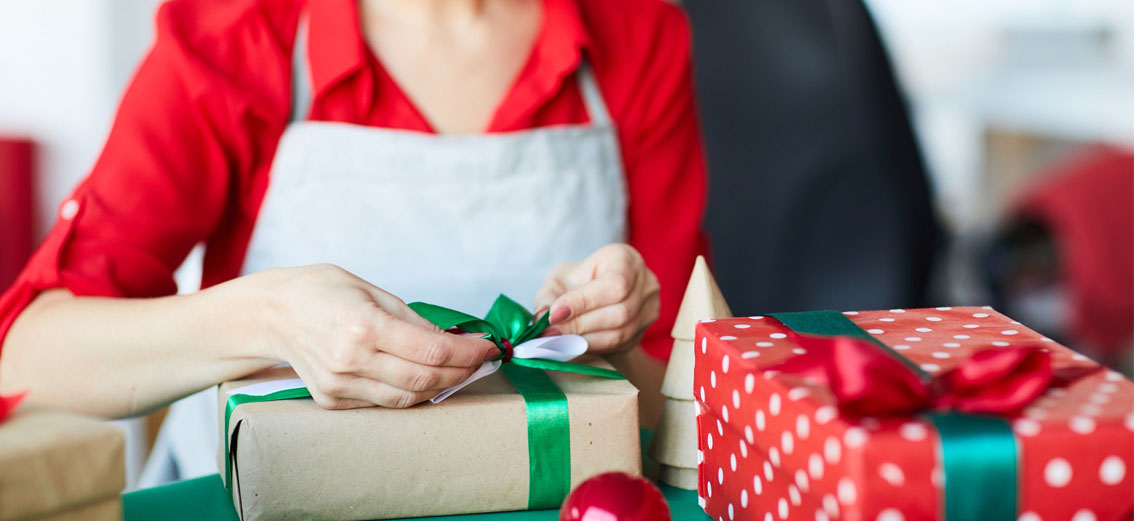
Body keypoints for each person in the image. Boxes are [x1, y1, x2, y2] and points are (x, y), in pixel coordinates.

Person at [0, 0, 707, 478]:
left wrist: (610, 344)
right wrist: (266, 318)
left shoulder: (639, 32)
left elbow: (682, 418)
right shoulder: (237, 32)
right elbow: (25, 360)